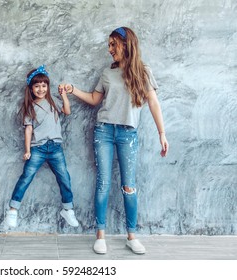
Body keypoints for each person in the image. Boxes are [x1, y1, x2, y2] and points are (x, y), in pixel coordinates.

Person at [59, 27, 169, 254]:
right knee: (103, 184)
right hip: (104, 132)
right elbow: (93, 99)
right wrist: (73, 90)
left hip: (128, 134)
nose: (109, 50)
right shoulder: (107, 73)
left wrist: (162, 134)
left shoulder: (143, 72)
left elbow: (154, 103)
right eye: (108, 45)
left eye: (113, 45)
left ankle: (132, 236)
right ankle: (100, 235)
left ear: (125, 44)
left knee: (129, 186)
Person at [5, 65, 79, 228]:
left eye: (44, 85)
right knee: (26, 177)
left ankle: (68, 209)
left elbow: (67, 111)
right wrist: (27, 150)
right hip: (38, 149)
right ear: (31, 89)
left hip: (55, 148)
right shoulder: (29, 108)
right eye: (37, 86)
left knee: (64, 178)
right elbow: (28, 130)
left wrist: (64, 95)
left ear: (47, 86)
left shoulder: (53, 101)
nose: (41, 89)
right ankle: (12, 210)